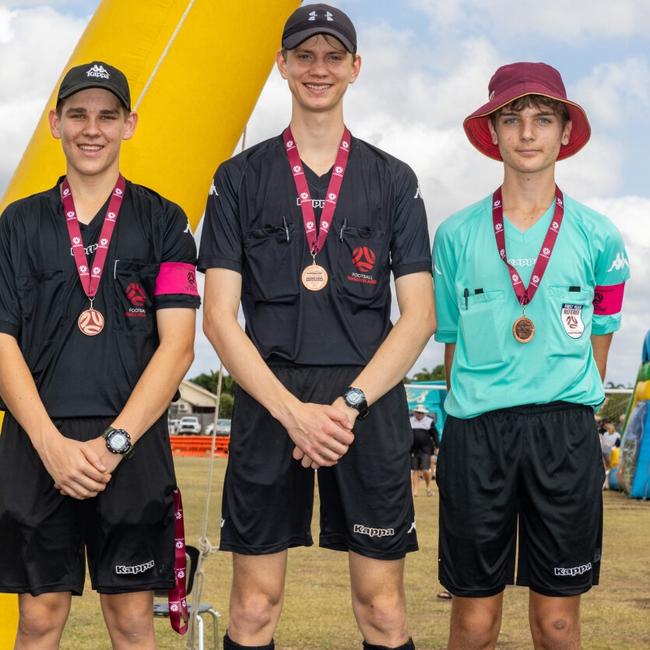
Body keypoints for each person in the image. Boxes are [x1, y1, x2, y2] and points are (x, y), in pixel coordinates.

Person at [199, 4, 435, 649]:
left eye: (334, 56)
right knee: (253, 606)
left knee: (382, 607)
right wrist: (292, 414)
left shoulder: (393, 180)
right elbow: (219, 319)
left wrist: (347, 406)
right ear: (282, 65)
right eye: (304, 55)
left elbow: (419, 317)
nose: (318, 68)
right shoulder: (238, 178)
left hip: (368, 401)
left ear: (356, 68)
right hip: (269, 398)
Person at [0, 61, 199, 649]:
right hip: (40, 447)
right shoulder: (17, 223)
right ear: (55, 124)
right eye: (78, 115)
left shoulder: (167, 221)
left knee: (134, 623)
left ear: (129, 124)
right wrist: (51, 446)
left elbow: (180, 346)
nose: (93, 129)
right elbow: (2, 339)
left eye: (107, 116)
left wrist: (114, 445)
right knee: (38, 622)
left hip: (130, 448)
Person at [433, 62, 630, 649]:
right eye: (512, 119)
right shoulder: (455, 235)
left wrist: (563, 397)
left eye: (543, 119)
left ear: (565, 132)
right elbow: (451, 343)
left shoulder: (601, 237)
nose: (527, 132)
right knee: (473, 621)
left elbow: (599, 340)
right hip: (477, 435)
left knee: (558, 623)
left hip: (563, 434)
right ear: (490, 131)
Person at [409, 405, 437, 497]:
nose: (420, 414)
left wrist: (437, 446)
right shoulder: (410, 421)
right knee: (415, 470)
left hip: (426, 449)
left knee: (425, 470)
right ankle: (415, 491)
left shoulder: (429, 421)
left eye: (422, 413)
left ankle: (428, 488)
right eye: (418, 412)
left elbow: (435, 435)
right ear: (414, 412)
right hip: (413, 449)